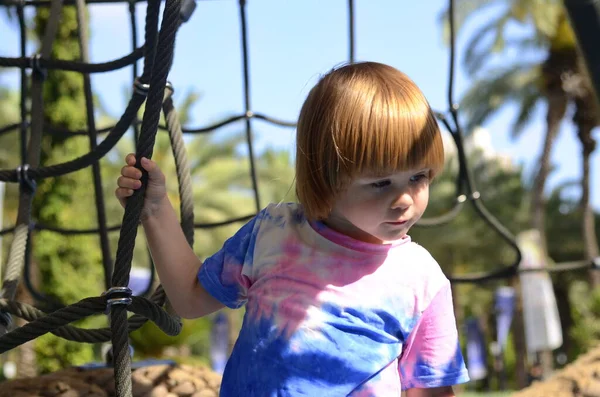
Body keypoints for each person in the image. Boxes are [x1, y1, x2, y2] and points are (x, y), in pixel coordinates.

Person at [115, 61, 470, 396]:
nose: (405, 198)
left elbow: (432, 389)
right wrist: (155, 210)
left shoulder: (420, 278)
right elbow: (190, 297)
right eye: (381, 183)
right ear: (326, 177)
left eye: (418, 177)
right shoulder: (275, 233)